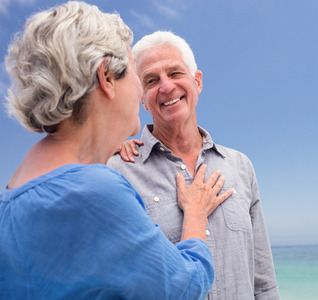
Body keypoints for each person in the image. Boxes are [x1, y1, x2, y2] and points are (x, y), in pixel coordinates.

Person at [0, 2, 233, 299]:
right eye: (138, 76)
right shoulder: (95, 191)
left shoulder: (12, 194)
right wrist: (197, 215)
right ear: (107, 78)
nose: (140, 93)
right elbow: (185, 288)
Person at [107, 31, 280, 299]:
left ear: (197, 82)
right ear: (141, 98)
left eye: (175, 73)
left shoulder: (240, 166)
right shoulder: (118, 170)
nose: (166, 87)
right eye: (151, 80)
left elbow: (264, 283)